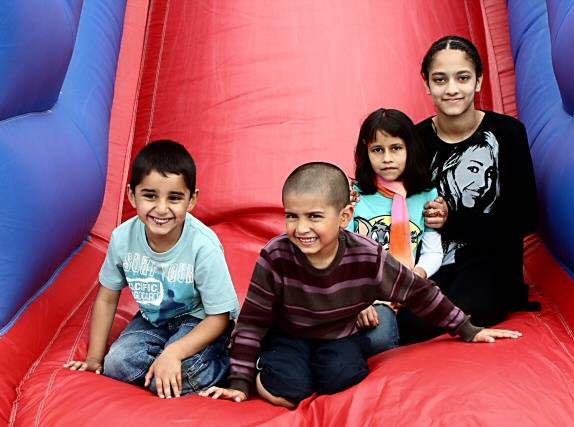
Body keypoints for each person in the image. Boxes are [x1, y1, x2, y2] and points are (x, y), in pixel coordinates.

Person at [199, 162, 521, 408]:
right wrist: (240, 382)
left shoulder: (366, 257)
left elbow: (418, 292)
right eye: (292, 216)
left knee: (342, 378)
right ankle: (265, 366)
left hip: (339, 332)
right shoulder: (276, 256)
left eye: (314, 216)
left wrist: (467, 328)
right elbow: (254, 320)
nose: (301, 228)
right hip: (289, 333)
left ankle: (313, 366)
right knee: (287, 390)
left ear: (344, 216)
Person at [64, 140, 240, 398]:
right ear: (131, 195)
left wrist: (173, 353)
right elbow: (107, 296)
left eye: (175, 198)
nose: (161, 208)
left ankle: (226, 363)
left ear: (192, 200)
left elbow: (219, 317)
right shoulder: (123, 238)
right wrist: (94, 357)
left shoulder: (204, 246)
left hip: (200, 320)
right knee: (117, 364)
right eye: (150, 196)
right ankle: (168, 365)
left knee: (166, 382)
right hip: (153, 318)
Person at [399, 35, 539, 344]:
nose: (451, 89)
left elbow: (526, 216)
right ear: (426, 84)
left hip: (492, 262)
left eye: (462, 78)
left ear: (478, 81)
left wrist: (453, 219)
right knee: (407, 320)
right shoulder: (415, 141)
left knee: (464, 310)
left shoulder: (507, 134)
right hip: (434, 260)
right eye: (440, 79)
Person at [350, 108, 443, 332]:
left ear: (410, 149)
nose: (387, 159)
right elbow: (344, 254)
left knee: (429, 321)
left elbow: (432, 249)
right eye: (377, 150)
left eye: (396, 148)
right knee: (379, 333)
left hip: (408, 284)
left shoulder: (426, 195)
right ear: (366, 151)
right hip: (364, 292)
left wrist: (417, 275)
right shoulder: (354, 196)